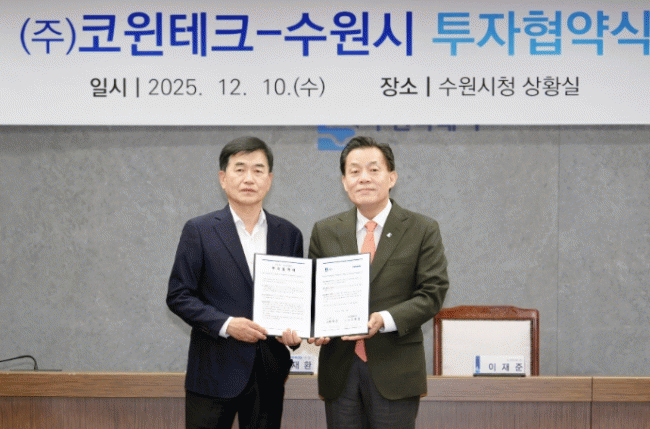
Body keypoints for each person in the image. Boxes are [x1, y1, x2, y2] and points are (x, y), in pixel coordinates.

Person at [308, 136, 449, 429]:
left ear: (391, 177)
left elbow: (432, 293)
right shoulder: (325, 231)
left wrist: (384, 319)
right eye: (355, 171)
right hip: (340, 371)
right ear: (344, 182)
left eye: (374, 170)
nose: (364, 178)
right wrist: (315, 327)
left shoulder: (422, 229)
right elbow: (314, 294)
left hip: (395, 370)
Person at [167, 136, 304, 429]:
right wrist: (228, 325)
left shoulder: (289, 234)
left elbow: (295, 299)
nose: (248, 178)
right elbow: (179, 295)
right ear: (223, 178)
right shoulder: (200, 230)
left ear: (269, 179)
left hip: (268, 373)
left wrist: (294, 332)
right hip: (213, 372)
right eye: (239, 169)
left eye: (258, 170)